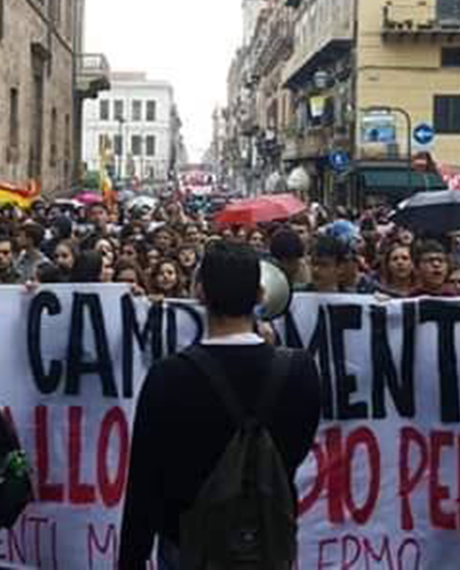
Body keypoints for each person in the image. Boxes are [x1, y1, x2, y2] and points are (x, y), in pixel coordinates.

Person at [118, 240, 321, 569]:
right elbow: (295, 448)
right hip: (267, 543)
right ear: (259, 296)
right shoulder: (300, 370)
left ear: (200, 293)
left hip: (188, 545)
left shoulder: (167, 376)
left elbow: (144, 483)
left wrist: (131, 559)